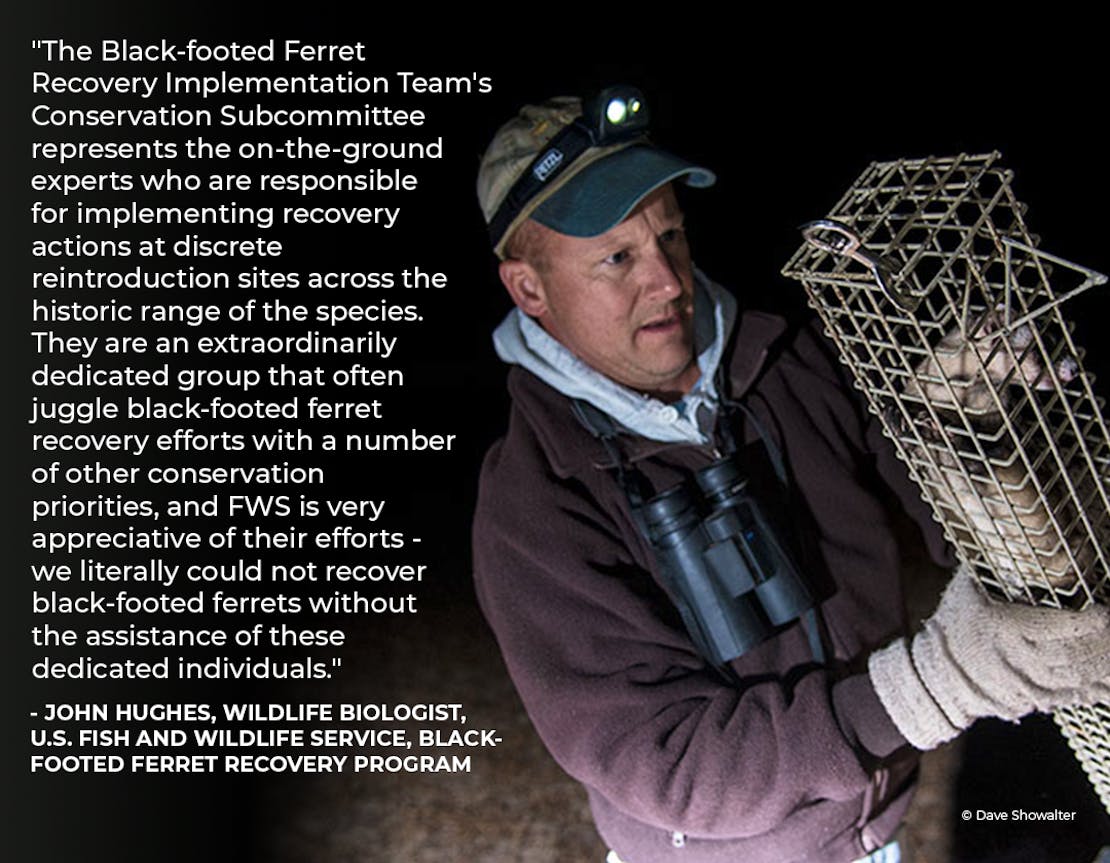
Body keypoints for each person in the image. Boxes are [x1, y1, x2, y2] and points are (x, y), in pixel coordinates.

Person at [470, 88, 1110, 863]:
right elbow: (673, 763)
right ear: (529, 288)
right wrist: (942, 681)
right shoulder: (534, 503)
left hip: (876, 827)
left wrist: (971, 433)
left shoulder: (781, 355)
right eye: (617, 258)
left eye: (670, 234)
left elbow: (946, 516)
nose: (667, 281)